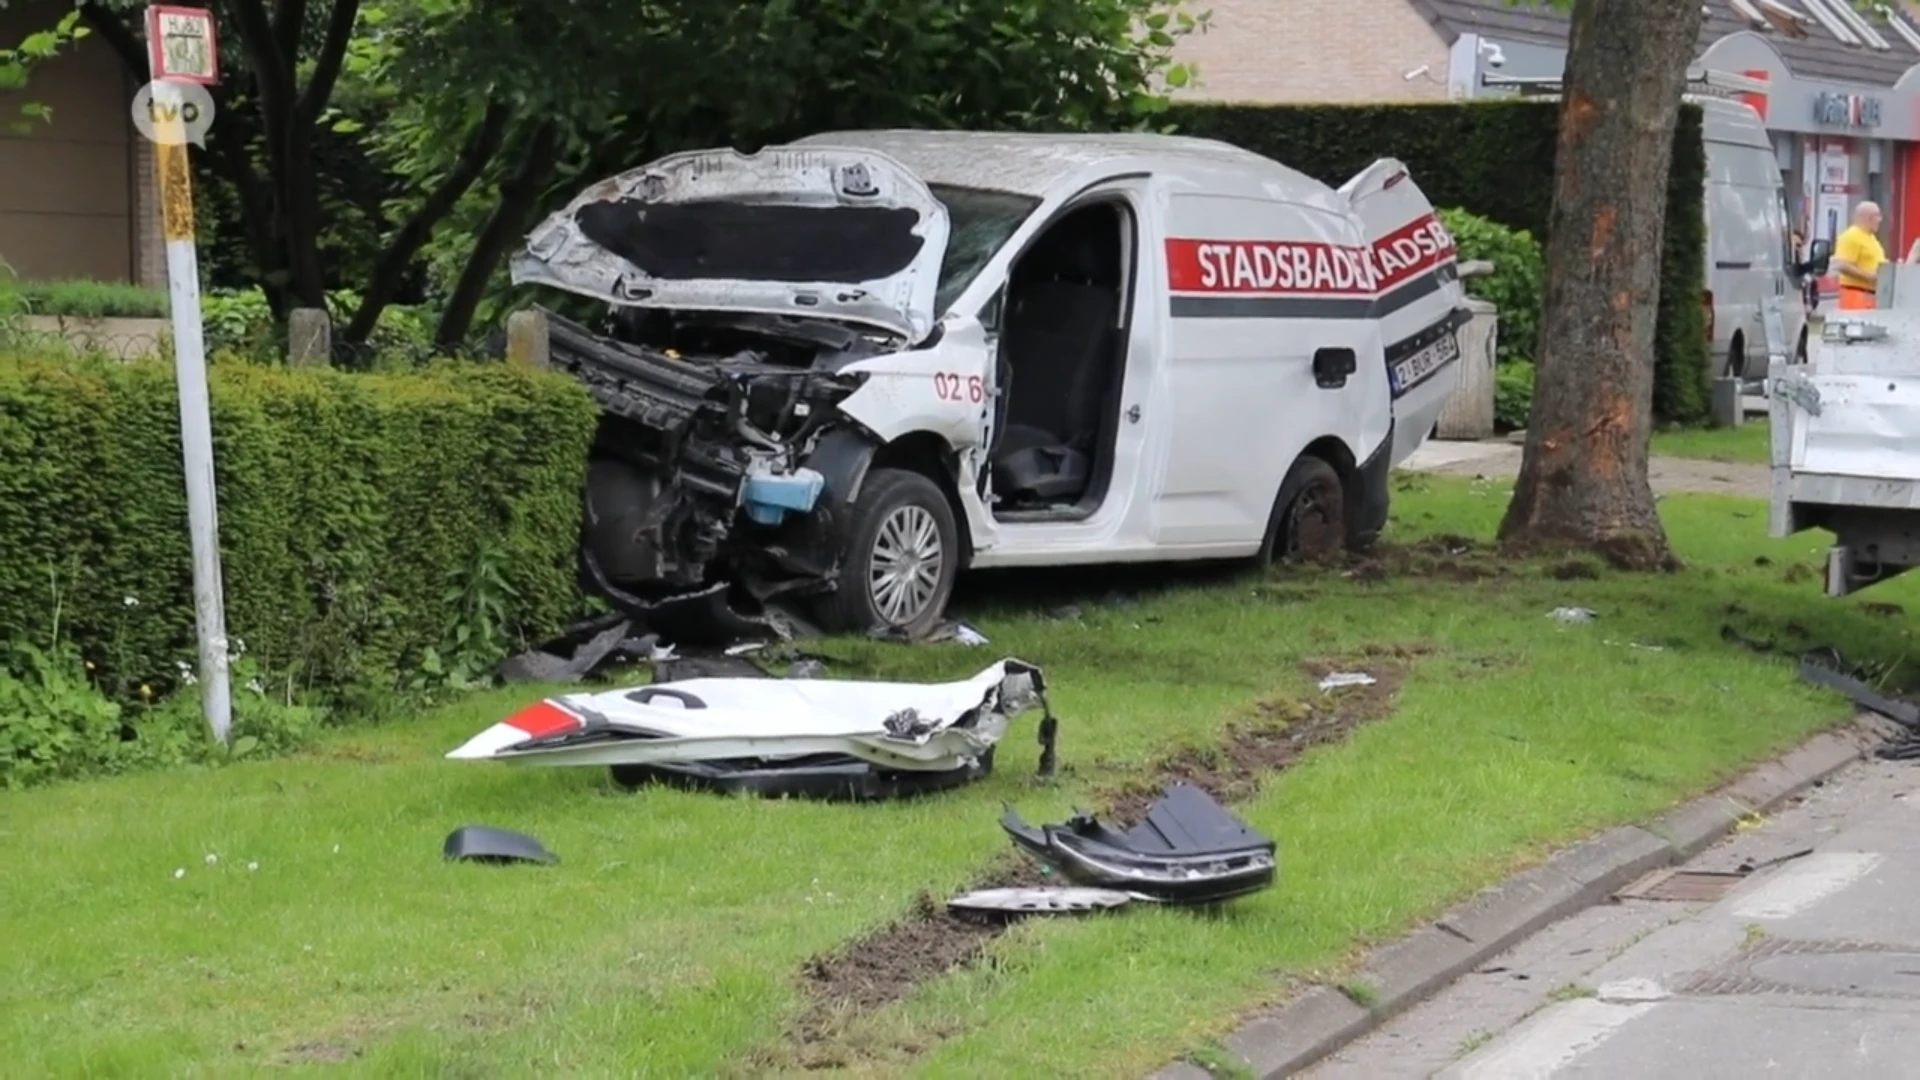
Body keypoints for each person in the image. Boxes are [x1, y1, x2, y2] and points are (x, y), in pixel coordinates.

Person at [1832, 201, 1886, 309]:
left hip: (1869, 296)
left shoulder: (1871, 238)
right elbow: (1841, 265)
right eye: (1877, 216)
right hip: (1855, 295)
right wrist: (1870, 276)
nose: (1880, 220)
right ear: (1868, 217)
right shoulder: (1851, 236)